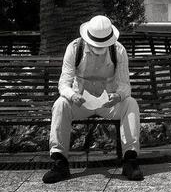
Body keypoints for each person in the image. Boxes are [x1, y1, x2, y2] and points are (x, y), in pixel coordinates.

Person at [43, 15, 143, 183]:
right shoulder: (74, 48)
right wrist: (72, 96)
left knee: (131, 103)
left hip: (108, 104)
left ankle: (130, 160)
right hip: (80, 103)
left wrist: (117, 96)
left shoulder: (118, 51)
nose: (99, 49)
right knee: (60, 104)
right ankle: (59, 162)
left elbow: (125, 85)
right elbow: (63, 83)